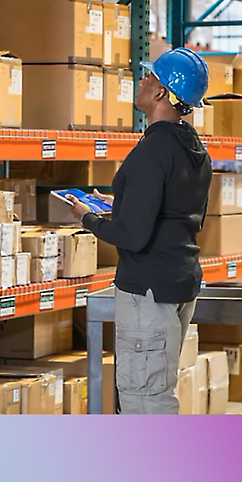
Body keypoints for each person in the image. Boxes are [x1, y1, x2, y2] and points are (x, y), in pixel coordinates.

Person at [67, 47, 212, 415]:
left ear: (162, 93)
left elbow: (133, 235)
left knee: (144, 401)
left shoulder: (152, 151)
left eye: (149, 77)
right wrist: (120, 199)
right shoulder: (193, 148)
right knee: (157, 392)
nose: (142, 81)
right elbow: (175, 209)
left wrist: (88, 217)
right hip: (179, 280)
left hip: (147, 289)